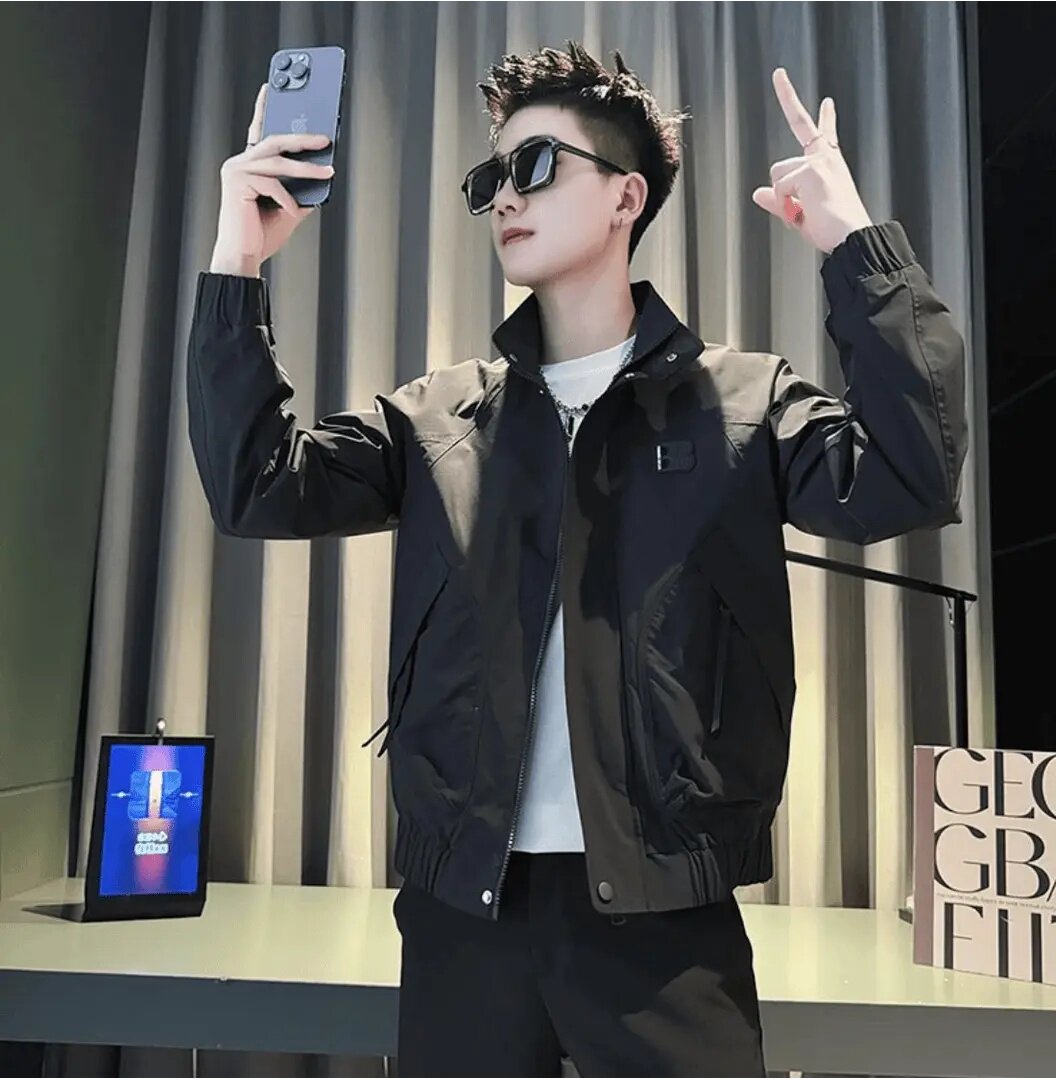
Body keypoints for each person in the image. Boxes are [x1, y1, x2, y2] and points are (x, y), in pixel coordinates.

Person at [188, 39, 967, 1077]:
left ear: (625, 197)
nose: (505, 197)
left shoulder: (741, 405)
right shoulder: (439, 418)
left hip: (667, 920)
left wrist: (856, 247)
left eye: (536, 165)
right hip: (466, 916)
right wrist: (237, 260)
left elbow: (910, 475)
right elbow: (257, 485)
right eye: (491, 178)